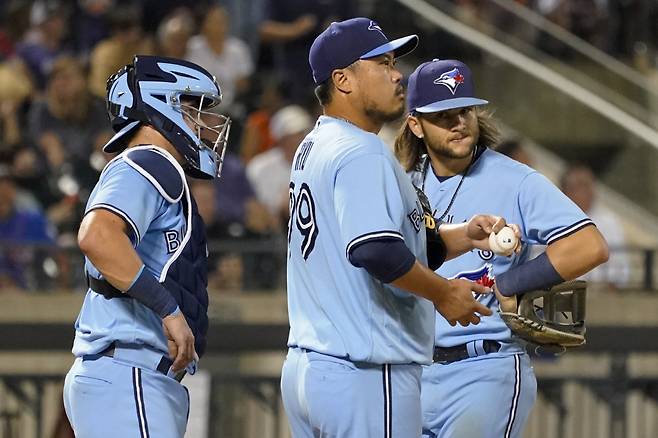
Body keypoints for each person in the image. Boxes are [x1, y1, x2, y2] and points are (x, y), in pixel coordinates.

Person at [282, 19, 518, 437]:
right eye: (382, 63)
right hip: (366, 376)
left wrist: (464, 235)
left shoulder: (315, 143)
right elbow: (375, 251)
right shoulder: (361, 152)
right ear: (343, 80)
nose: (397, 75)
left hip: (310, 370)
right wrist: (444, 293)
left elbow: (383, 242)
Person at [394, 58, 609, 438]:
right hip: (410, 371)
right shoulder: (404, 183)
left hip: (484, 370)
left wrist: (512, 284)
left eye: (465, 111)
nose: (459, 122)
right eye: (444, 115)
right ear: (416, 124)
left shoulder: (514, 179)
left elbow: (589, 245)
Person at [63, 55, 232, 437]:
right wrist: (169, 310)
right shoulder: (150, 161)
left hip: (127, 374)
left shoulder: (151, 166)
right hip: (129, 372)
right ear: (161, 103)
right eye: (191, 109)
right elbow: (97, 236)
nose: (203, 125)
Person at [561, 163, 630, 288]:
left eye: (586, 185)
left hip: (600, 293)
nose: (583, 192)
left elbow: (620, 269)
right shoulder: (552, 220)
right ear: (564, 190)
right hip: (560, 291)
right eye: (576, 186)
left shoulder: (609, 222)